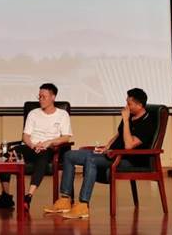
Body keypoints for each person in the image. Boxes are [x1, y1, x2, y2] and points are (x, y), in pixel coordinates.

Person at [47, 88, 156, 219]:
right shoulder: (130, 116)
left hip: (128, 160)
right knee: (69, 155)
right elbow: (119, 135)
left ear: (139, 105)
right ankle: (65, 199)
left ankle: (83, 205)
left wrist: (126, 120)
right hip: (111, 154)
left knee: (91, 159)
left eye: (129, 104)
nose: (126, 106)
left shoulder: (147, 123)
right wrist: (106, 147)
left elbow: (129, 145)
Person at [0, 83, 72, 211]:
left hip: (49, 148)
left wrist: (49, 142)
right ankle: (6, 196)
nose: (40, 99)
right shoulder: (33, 113)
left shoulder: (62, 114)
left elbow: (66, 137)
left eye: (44, 97)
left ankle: (28, 196)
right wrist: (33, 145)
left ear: (53, 97)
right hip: (31, 146)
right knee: (7, 154)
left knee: (42, 156)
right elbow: (25, 136)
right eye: (39, 96)